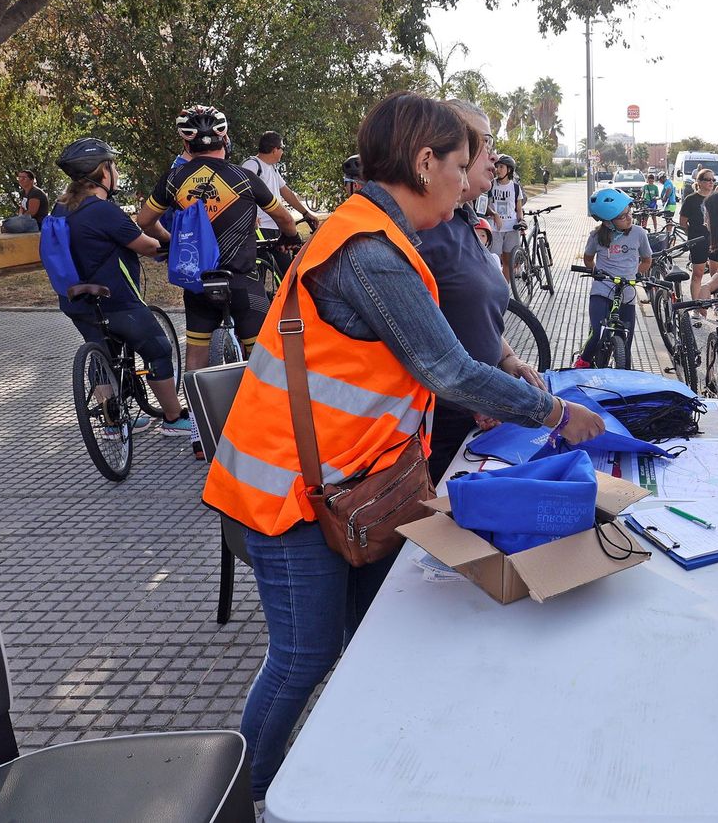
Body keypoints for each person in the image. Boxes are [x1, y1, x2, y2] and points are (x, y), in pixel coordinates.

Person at [203, 92, 605, 801]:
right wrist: (554, 412)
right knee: (303, 658)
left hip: (351, 483)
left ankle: (370, 774)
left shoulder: (383, 237)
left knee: (367, 638)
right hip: (286, 492)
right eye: (460, 163)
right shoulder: (367, 250)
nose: (472, 177)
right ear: (424, 163)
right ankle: (247, 795)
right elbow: (447, 369)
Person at [416, 100, 544, 483]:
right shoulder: (421, 231)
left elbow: (468, 314)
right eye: (483, 144)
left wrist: (507, 357)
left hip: (475, 414)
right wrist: (553, 412)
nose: (493, 157)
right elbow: (418, 343)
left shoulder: (461, 218)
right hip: (438, 428)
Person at [135, 105, 299, 372]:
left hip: (199, 281)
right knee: (261, 357)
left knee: (196, 354)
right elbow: (285, 220)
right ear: (225, 139)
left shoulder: (173, 178)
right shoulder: (243, 177)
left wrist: (170, 241)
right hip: (242, 280)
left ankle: (198, 410)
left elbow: (144, 221)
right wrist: (290, 238)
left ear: (187, 144)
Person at [51, 138, 194, 438]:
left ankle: (113, 422)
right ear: (103, 171)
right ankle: (173, 417)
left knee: (101, 355)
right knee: (158, 348)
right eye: (112, 166)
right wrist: (169, 245)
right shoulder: (103, 211)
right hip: (117, 300)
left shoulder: (61, 208)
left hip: (77, 302)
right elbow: (146, 245)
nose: (115, 171)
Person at [576, 187, 653, 368]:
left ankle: (623, 374)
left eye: (629, 212)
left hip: (627, 292)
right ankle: (583, 361)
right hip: (602, 290)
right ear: (608, 222)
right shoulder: (596, 236)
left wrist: (636, 275)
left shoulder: (639, 233)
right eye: (622, 216)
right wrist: (596, 272)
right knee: (597, 333)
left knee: (626, 341)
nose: (628, 218)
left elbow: (647, 260)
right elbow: (588, 259)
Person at [242, 131, 320, 237]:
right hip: (260, 229)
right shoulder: (252, 165)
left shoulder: (272, 167)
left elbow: (286, 192)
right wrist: (250, 215)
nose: (283, 152)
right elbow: (241, 193)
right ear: (275, 150)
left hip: (277, 227)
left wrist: (306, 213)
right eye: (282, 148)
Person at [678, 168, 717, 301]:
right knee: (698, 274)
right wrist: (693, 234)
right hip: (698, 240)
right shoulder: (691, 199)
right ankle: (696, 305)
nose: (711, 182)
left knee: (716, 274)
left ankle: (717, 303)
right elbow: (683, 222)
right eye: (707, 179)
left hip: (716, 240)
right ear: (699, 182)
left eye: (713, 179)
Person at [487, 154, 525, 283]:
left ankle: (505, 292)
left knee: (509, 263)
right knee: (494, 261)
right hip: (495, 228)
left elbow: (518, 210)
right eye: (497, 166)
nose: (497, 169)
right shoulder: (491, 185)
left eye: (501, 167)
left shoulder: (515, 187)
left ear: (509, 170)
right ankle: (495, 289)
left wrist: (522, 221)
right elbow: (484, 205)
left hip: (511, 229)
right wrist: (494, 214)